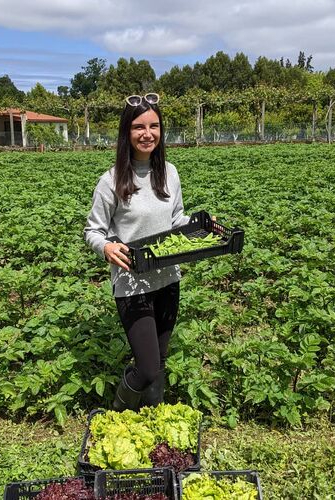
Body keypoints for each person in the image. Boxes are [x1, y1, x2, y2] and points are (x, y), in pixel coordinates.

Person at [84, 93, 190, 411]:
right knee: (145, 368)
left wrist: (200, 225)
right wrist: (105, 246)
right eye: (139, 127)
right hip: (133, 285)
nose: (148, 134)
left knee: (157, 365)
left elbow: (177, 219)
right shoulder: (112, 181)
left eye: (154, 126)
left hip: (168, 280)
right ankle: (117, 415)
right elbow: (93, 230)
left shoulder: (169, 173)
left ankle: (152, 421)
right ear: (126, 133)